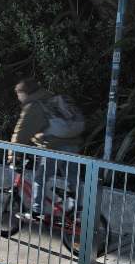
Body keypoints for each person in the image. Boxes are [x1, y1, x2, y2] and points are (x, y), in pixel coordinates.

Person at [9, 78, 83, 220]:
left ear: (24, 93)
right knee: (73, 178)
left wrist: (13, 156)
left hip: (55, 147)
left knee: (40, 177)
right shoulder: (52, 99)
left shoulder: (34, 106)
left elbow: (22, 134)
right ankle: (76, 211)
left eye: (18, 94)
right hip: (73, 144)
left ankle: (37, 212)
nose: (18, 97)